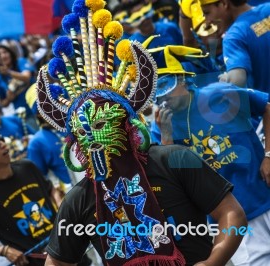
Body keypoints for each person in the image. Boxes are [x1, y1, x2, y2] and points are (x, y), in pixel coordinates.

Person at [34, 5, 246, 264]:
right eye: (83, 132)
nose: (93, 140)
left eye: (101, 125)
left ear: (126, 124)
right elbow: (55, 262)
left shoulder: (173, 160)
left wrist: (212, 262)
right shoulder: (79, 200)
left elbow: (232, 216)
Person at [152, 45, 270, 265]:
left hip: (262, 194)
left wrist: (269, 154)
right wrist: (166, 137)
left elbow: (267, 106)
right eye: (156, 91)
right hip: (228, 219)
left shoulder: (220, 93)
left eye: (166, 85)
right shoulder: (160, 125)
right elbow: (170, 180)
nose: (163, 96)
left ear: (183, 79)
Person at [0, 126, 63, 266]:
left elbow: (52, 190)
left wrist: (62, 209)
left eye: (1, 138)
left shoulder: (27, 167)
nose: (2, 143)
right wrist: (3, 250)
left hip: (67, 250)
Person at [200, 0, 270, 92]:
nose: (207, 21)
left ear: (224, 4)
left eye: (207, 12)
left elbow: (237, 83)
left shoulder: (233, 36)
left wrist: (227, 80)